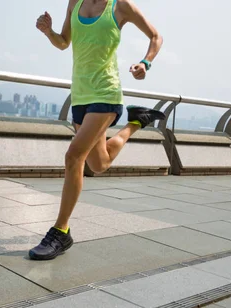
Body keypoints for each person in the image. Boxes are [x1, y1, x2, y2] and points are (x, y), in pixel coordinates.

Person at [29, 0, 165, 260]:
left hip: (106, 93)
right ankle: (136, 122)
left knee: (73, 156)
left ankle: (60, 231)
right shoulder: (74, 2)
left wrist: (145, 63)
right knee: (99, 163)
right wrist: (49, 32)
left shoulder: (120, 6)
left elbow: (156, 36)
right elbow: (63, 42)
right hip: (80, 96)